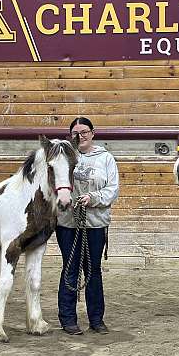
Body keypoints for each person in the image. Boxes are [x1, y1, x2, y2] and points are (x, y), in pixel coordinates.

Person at [56, 117, 119, 335]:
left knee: (93, 270)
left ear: (92, 133)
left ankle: (96, 319)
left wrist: (93, 198)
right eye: (76, 132)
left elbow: (113, 189)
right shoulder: (64, 156)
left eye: (84, 131)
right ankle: (68, 319)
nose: (80, 136)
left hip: (95, 223)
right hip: (68, 223)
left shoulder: (106, 158)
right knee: (70, 269)